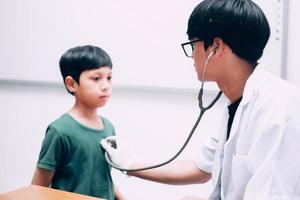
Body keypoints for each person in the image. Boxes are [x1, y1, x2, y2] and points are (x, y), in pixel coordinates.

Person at [101, 0, 300, 199]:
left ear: (216, 47)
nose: (192, 56)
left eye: (193, 45)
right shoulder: (238, 103)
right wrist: (128, 165)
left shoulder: (277, 110)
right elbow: (201, 168)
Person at [31, 45, 126, 200]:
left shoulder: (108, 127)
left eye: (109, 77)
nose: (105, 85)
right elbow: (37, 188)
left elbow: (103, 178)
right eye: (96, 78)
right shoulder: (60, 131)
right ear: (71, 84)